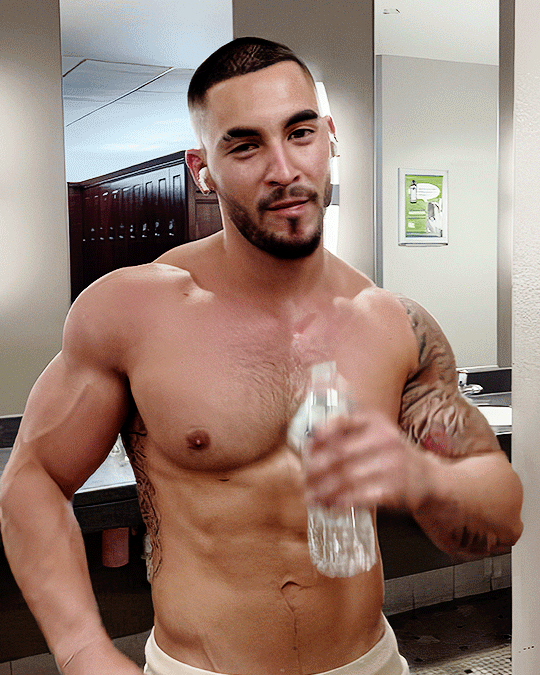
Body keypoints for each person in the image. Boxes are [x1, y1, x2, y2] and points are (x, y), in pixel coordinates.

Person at [0, 37, 523, 675]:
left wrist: (423, 477)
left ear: (330, 138)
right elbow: (32, 479)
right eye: (245, 145)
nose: (283, 168)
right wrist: (83, 651)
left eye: (300, 133)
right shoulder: (132, 312)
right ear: (203, 169)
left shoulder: (393, 322)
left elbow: (500, 513)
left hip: (368, 663)